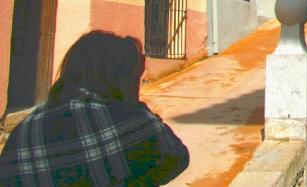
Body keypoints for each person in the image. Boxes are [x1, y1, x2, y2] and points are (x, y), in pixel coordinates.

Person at [0, 31, 189, 186]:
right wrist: (133, 103)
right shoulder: (132, 123)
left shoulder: (23, 131)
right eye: (135, 76)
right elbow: (178, 158)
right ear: (119, 76)